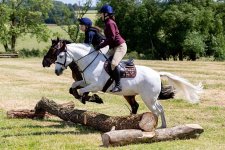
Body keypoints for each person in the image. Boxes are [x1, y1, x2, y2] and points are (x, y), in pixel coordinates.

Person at [96, 4, 127, 93]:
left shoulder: (110, 23)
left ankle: (118, 85)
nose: (100, 15)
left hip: (120, 46)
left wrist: (101, 45)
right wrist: (103, 42)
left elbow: (112, 38)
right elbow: (109, 37)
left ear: (106, 14)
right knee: (102, 60)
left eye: (101, 14)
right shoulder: (107, 23)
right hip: (114, 47)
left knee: (113, 64)